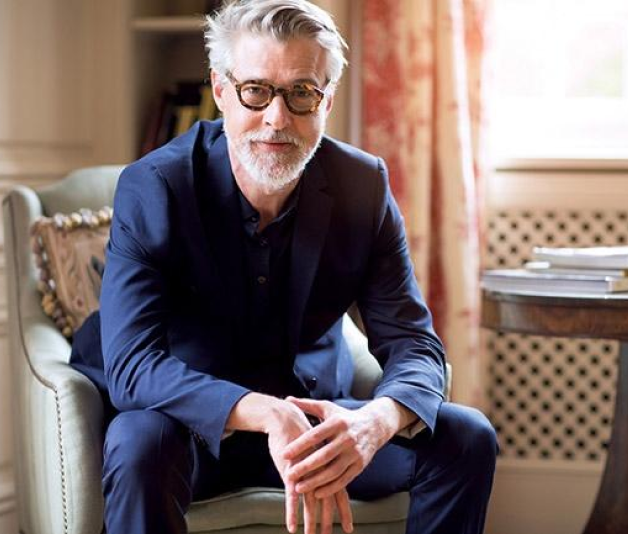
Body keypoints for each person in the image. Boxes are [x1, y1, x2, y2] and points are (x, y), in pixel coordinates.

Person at [73, 1, 498, 533]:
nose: (278, 118)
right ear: (222, 90)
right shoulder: (156, 187)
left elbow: (414, 344)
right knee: (138, 440)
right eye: (256, 90)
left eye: (301, 92)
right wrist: (265, 412)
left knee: (467, 436)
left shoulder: (362, 186)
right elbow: (134, 365)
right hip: (194, 427)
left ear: (327, 100)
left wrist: (376, 420)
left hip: (312, 424)